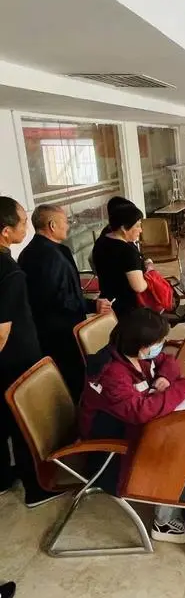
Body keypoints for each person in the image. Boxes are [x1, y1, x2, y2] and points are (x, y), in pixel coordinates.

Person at [79, 308, 185, 543]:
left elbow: (167, 360)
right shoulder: (112, 374)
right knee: (171, 444)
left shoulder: (132, 353)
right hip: (112, 447)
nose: (160, 347)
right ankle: (164, 522)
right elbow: (139, 412)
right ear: (141, 346)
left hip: (131, 425)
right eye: (158, 343)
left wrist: (163, 378)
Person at [0, 197, 62, 508]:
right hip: (14, 358)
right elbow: (2, 330)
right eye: (23, 222)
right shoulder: (8, 271)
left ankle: (2, 478)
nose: (26, 227)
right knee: (24, 423)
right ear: (5, 231)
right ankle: (36, 488)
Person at [18, 205, 113, 400]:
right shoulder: (50, 257)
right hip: (60, 330)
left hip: (47, 327)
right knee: (73, 377)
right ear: (52, 225)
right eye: (65, 222)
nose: (68, 226)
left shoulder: (32, 251)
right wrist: (92, 305)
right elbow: (60, 299)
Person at [92, 202, 148, 319]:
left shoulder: (101, 242)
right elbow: (139, 286)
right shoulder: (127, 251)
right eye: (137, 226)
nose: (141, 230)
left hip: (107, 304)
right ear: (123, 228)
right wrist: (149, 276)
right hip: (127, 308)